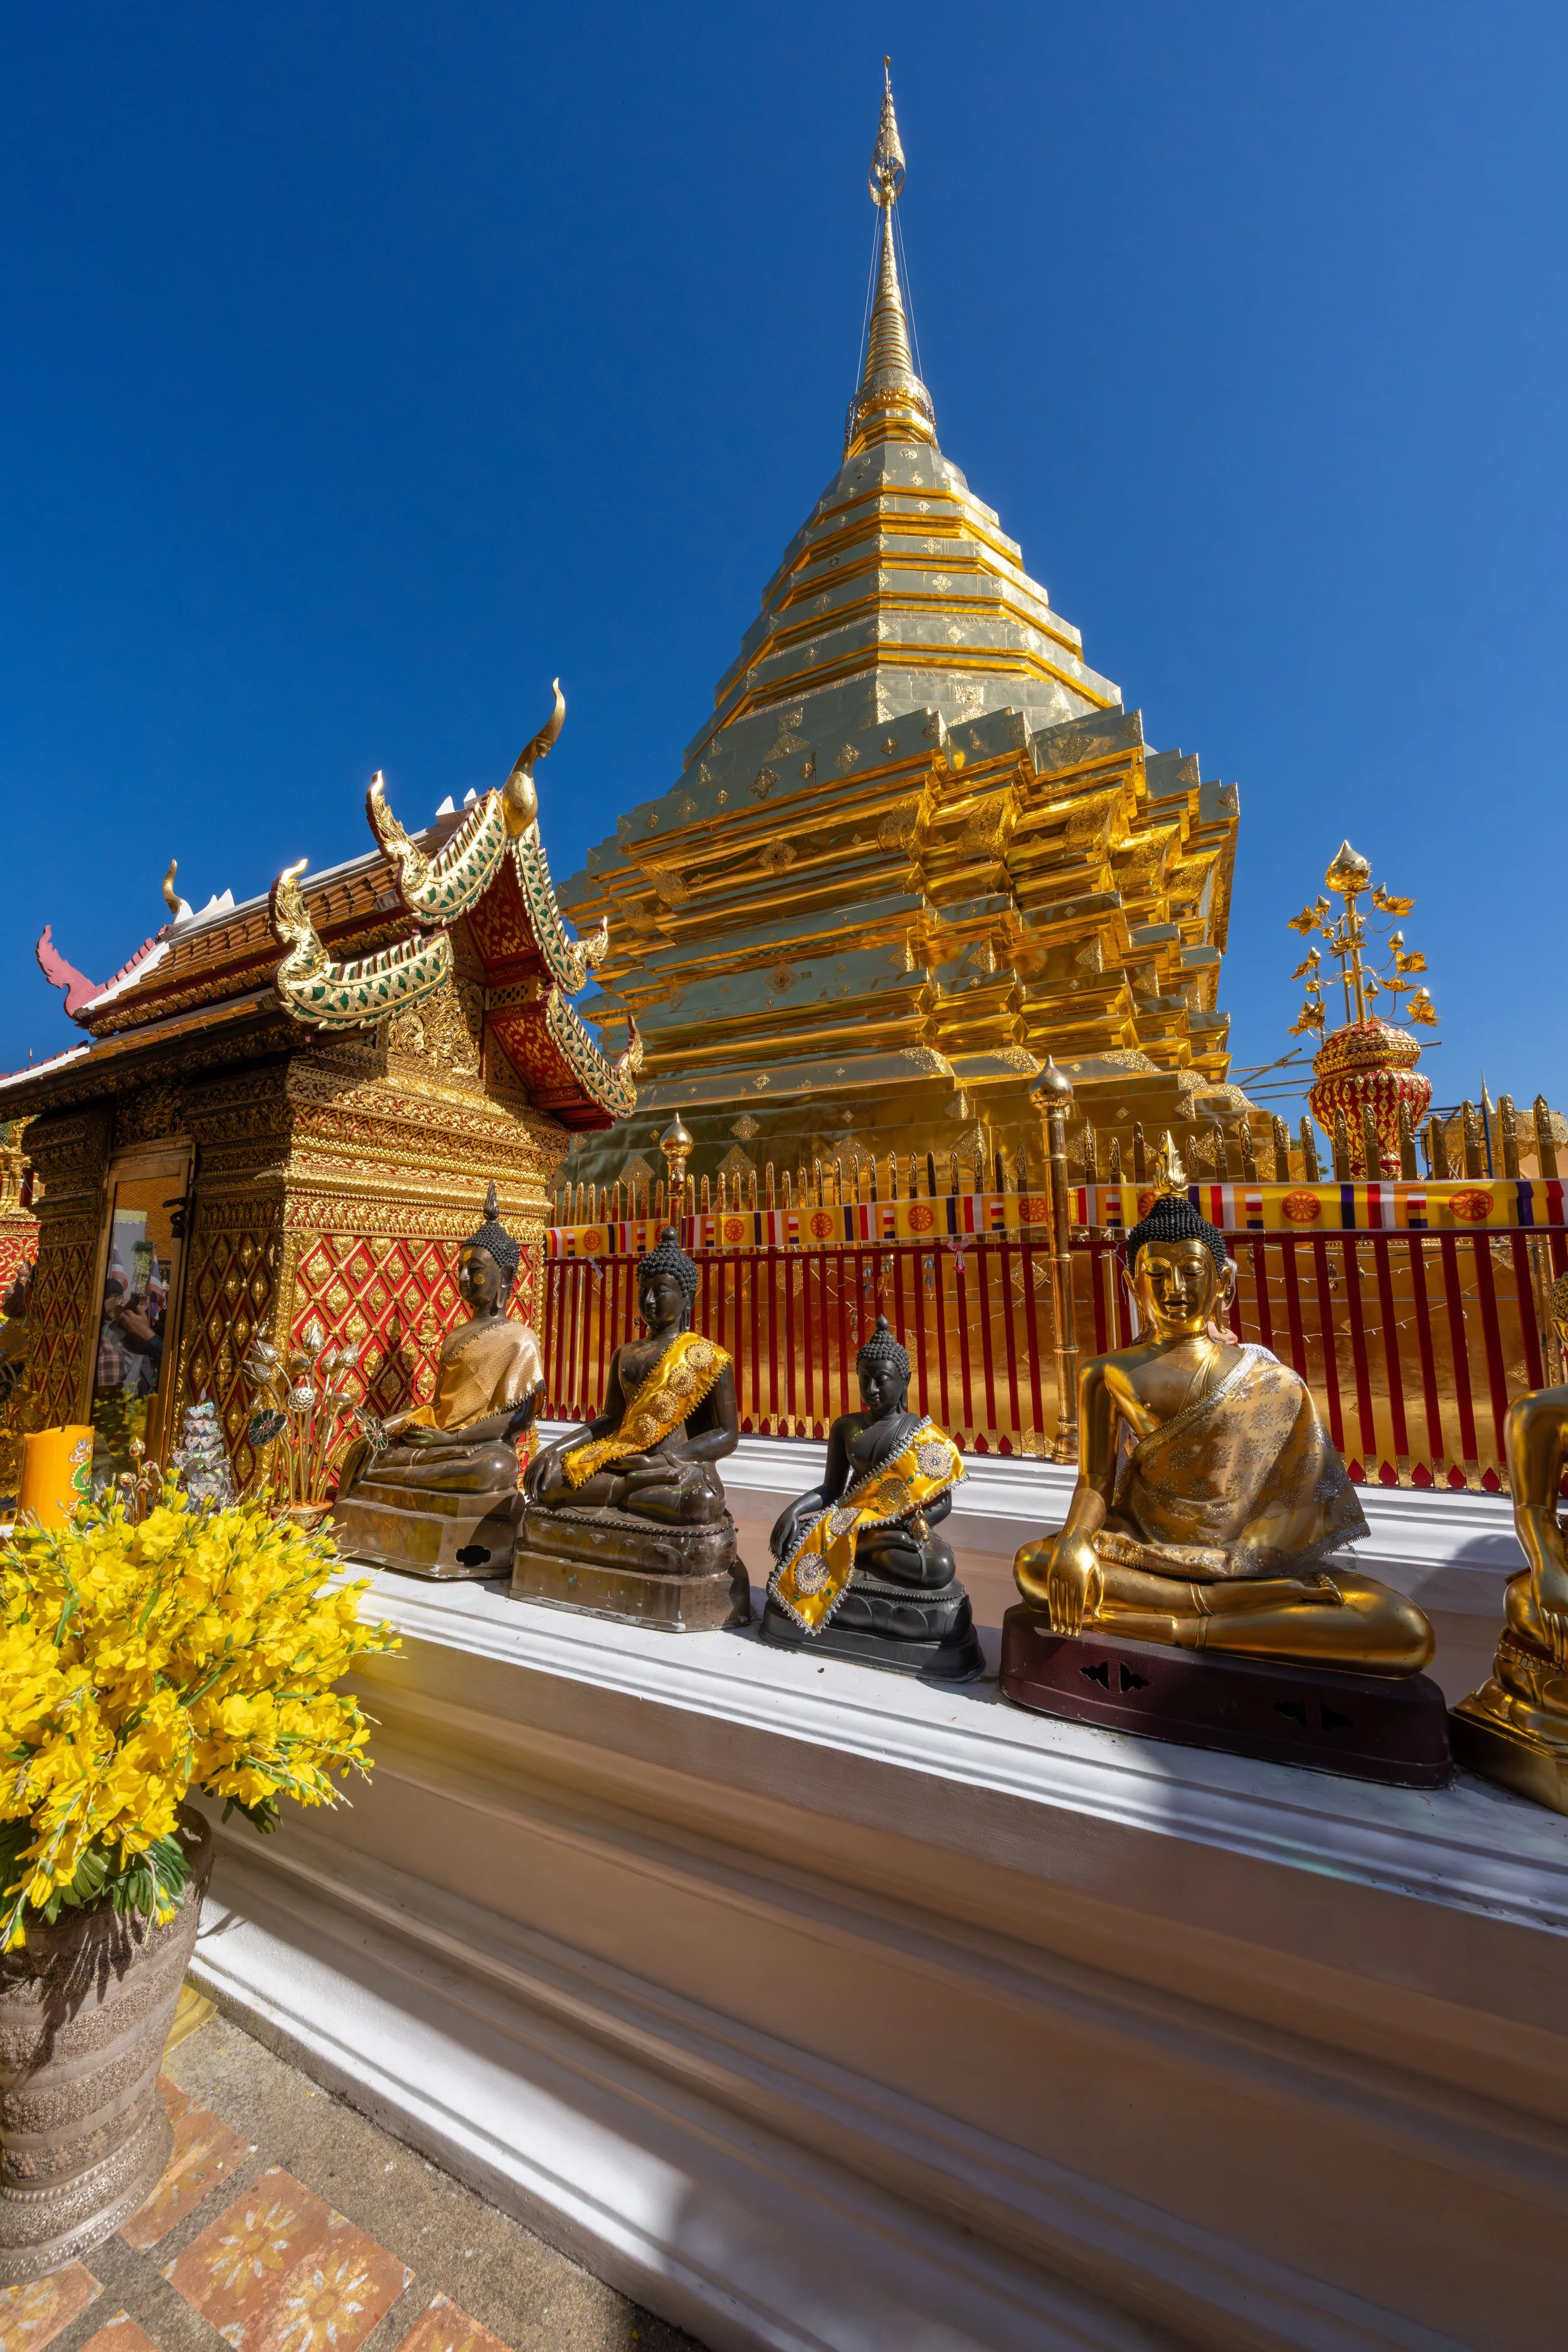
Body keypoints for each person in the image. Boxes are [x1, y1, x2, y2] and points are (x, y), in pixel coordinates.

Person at [1013, 1189, 1433, 1672]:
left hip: (1249, 1564)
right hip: (1144, 1552)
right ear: (1132, 1284)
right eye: (1156, 1273)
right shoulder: (1107, 1372)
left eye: (1192, 1272)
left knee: (1404, 1628)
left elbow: (1294, 1504)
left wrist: (1258, 1563)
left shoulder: (1271, 1381)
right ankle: (1229, 1617)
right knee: (1035, 1567)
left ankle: (1172, 1626)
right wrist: (1075, 1539)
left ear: (1223, 1283)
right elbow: (1095, 1481)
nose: (1175, 1288)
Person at [759, 1316, 982, 1680]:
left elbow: (942, 1502)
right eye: (864, 1379)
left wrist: (915, 1522)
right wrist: (793, 1509)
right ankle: (856, 1549)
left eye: (882, 1380)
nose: (872, 1389)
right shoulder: (847, 1427)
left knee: (940, 1566)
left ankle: (855, 1552)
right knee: (793, 1542)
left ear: (905, 1381)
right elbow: (832, 1489)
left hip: (898, 1534)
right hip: (853, 1520)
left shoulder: (921, 1433)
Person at [525, 1226, 738, 1525]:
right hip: (622, 1459)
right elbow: (611, 1420)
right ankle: (629, 1490)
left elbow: (726, 1435)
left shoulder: (709, 1357)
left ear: (687, 1299)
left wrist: (661, 1461)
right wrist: (555, 1448)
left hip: (673, 1468)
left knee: (700, 1503)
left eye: (660, 1291)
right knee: (551, 1482)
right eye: (643, 1291)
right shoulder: (625, 1354)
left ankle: (624, 1491)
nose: (649, 1300)